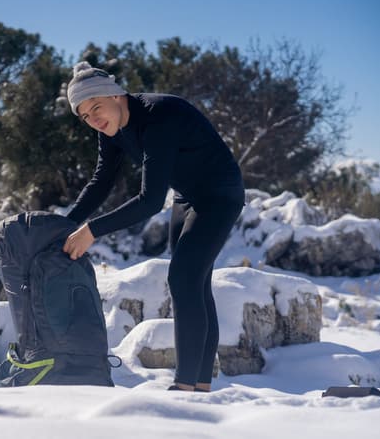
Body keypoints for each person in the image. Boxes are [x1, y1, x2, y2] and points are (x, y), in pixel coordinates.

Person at [62, 61, 244, 392]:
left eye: (96, 108)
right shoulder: (111, 128)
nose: (94, 120)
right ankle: (200, 385)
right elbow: (102, 181)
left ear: (115, 95)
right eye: (85, 116)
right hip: (187, 197)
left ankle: (185, 385)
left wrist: (90, 231)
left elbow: (149, 201)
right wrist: (66, 224)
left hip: (220, 194)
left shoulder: (159, 116)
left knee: (184, 277)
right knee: (194, 284)